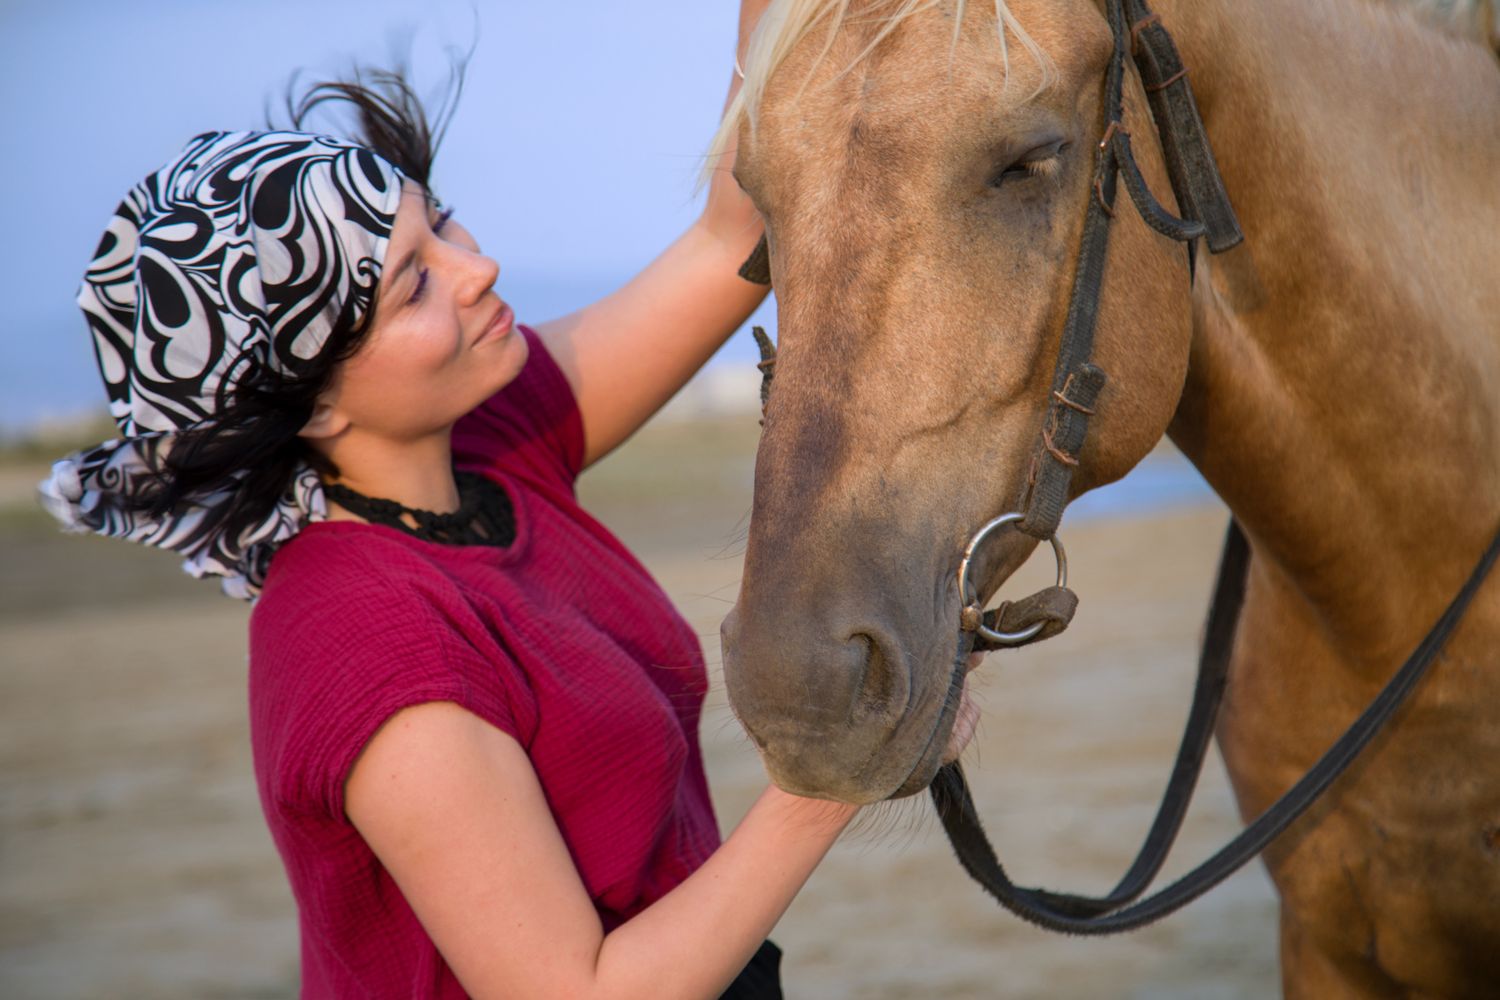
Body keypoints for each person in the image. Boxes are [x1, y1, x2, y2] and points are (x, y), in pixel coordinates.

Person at [39, 10, 977, 998]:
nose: (476, 268)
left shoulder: (490, 442)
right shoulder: (363, 636)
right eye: (413, 287)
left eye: (439, 222)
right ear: (308, 400)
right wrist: (845, 767)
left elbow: (731, 238)